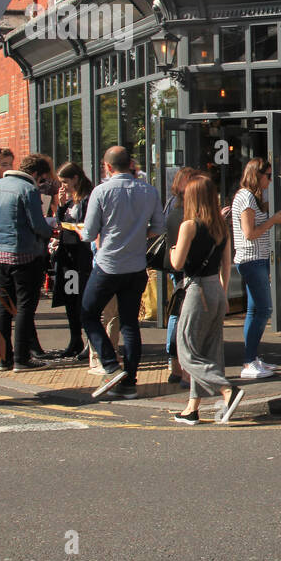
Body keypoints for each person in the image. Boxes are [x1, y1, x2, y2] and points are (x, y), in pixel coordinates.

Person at [82, 145, 165, 400]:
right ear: (130, 164)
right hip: (136, 266)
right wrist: (138, 234)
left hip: (108, 265)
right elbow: (158, 228)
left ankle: (110, 364)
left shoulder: (101, 191)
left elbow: (88, 232)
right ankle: (129, 381)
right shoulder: (149, 191)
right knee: (130, 323)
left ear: (107, 166)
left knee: (88, 314)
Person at [170, 175, 244, 425]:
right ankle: (192, 408)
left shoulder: (189, 225)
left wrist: (171, 251)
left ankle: (227, 390)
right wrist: (224, 296)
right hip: (215, 290)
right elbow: (226, 264)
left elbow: (177, 264)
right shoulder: (221, 227)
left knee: (186, 351)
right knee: (209, 351)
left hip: (196, 290)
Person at [0, 154, 54, 372]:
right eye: (42, 179)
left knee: (4, 307)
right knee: (25, 307)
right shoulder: (28, 190)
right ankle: (21, 358)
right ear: (35, 174)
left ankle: (3, 359)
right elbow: (38, 225)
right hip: (24, 255)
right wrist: (52, 230)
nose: (41, 184)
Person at [231, 158, 281, 381]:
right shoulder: (246, 197)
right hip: (251, 259)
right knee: (264, 310)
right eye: (267, 175)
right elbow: (249, 233)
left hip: (258, 258)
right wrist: (273, 220)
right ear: (256, 175)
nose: (270, 179)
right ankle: (248, 361)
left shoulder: (255, 197)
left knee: (254, 310)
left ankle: (253, 358)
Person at [51, 162, 94, 359]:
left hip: (82, 258)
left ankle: (89, 341)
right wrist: (60, 206)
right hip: (68, 257)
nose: (63, 186)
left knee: (82, 300)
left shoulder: (88, 199)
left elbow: (87, 226)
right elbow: (61, 224)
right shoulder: (69, 201)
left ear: (76, 179)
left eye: (65, 182)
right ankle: (75, 339)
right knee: (70, 298)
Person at [163, 167, 201, 381]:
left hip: (178, 266)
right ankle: (179, 364)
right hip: (184, 268)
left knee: (177, 313)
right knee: (181, 314)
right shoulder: (184, 211)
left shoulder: (172, 205)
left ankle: (175, 364)